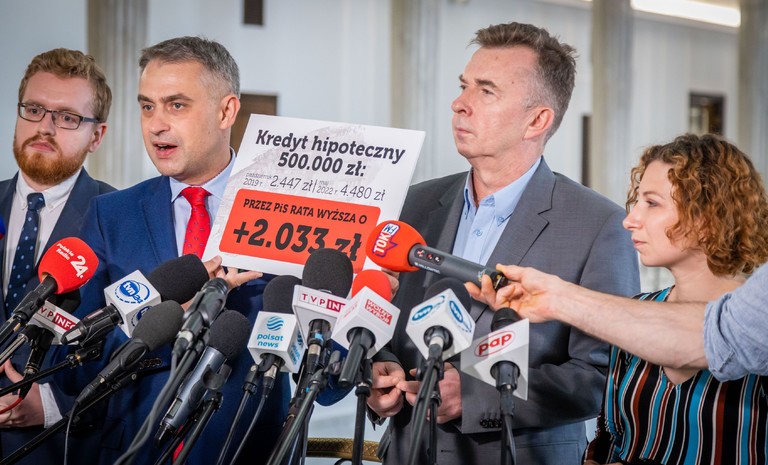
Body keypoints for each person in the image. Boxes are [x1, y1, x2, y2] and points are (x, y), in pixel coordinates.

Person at [367, 22, 640, 464]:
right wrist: (379, 367)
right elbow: (380, 315)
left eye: (486, 91)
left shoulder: (598, 226)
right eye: (463, 86)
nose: (459, 103)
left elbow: (604, 376)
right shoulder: (413, 204)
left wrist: (478, 394)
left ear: (537, 120)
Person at [58, 37, 287, 465]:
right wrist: (151, 323)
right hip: (134, 450)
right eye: (147, 107)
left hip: (247, 450)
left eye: (176, 105)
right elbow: (70, 363)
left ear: (226, 112)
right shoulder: (110, 215)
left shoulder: (287, 211)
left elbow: (328, 375)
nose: (156, 125)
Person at [579, 134, 768, 464]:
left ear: (707, 217)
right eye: (637, 200)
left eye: (652, 203)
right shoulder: (636, 311)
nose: (629, 220)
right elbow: (609, 436)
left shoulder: (757, 326)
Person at [0, 48, 115, 462]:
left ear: (96, 136)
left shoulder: (118, 219)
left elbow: (137, 352)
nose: (44, 127)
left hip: (55, 449)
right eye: (34, 109)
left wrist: (51, 406)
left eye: (67, 117)